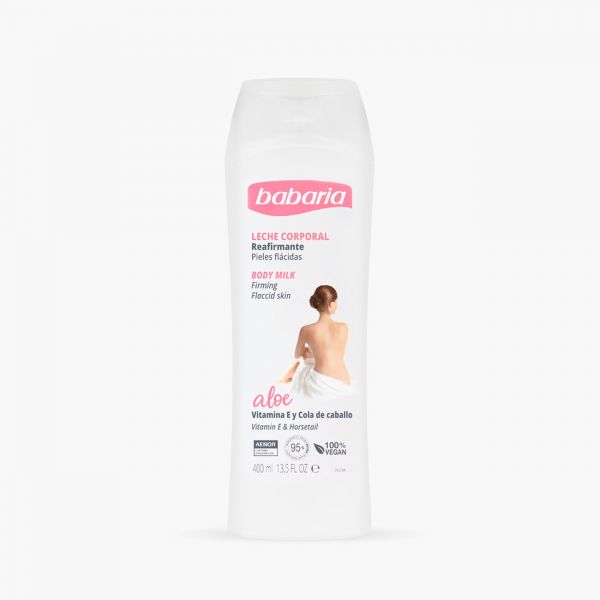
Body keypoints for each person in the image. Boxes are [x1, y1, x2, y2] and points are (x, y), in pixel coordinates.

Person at [280, 285, 353, 400]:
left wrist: (310, 351)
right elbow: (334, 353)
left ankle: (284, 378)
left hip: (320, 382)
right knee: (307, 362)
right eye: (336, 302)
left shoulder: (306, 330)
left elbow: (297, 355)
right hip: (344, 381)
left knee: (304, 364)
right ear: (331, 305)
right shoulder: (344, 327)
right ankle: (286, 378)